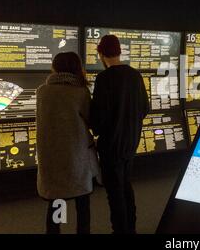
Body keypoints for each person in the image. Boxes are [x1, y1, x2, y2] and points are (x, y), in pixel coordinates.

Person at [90, 35, 149, 234]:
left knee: (114, 194)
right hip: (130, 143)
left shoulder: (104, 78)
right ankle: (130, 229)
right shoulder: (135, 75)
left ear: (101, 54)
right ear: (119, 52)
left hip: (111, 146)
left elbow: (98, 116)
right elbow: (144, 108)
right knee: (125, 186)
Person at [36, 52, 99, 234]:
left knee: (57, 203)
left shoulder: (43, 92)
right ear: (76, 68)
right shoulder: (80, 92)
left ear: (55, 68)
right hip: (77, 158)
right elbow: (90, 120)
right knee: (82, 205)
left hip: (52, 157)